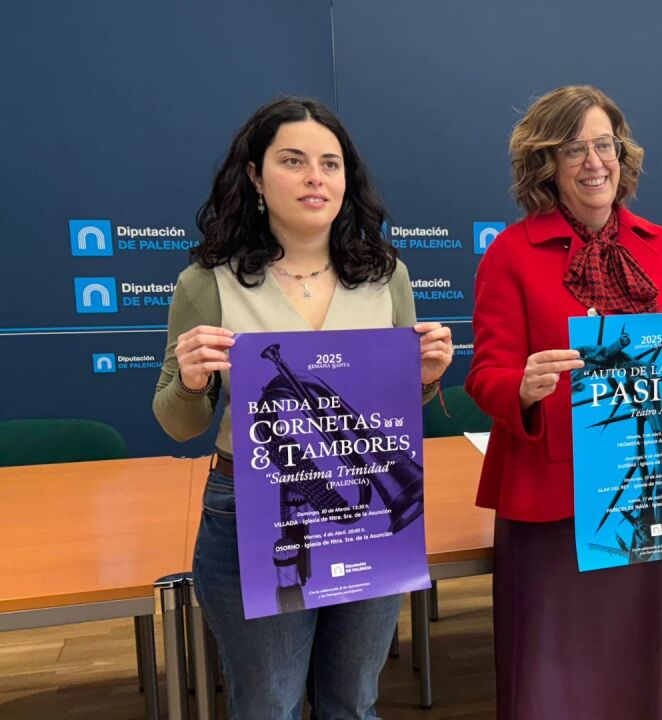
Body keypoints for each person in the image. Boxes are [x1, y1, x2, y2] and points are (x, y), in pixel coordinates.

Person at [151, 97, 452, 720]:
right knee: (270, 706)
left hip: (370, 510)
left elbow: (396, 408)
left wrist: (423, 379)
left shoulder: (386, 274)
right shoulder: (207, 282)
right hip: (255, 509)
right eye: (293, 161)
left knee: (355, 702)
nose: (316, 178)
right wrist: (190, 380)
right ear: (256, 177)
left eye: (330, 164)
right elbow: (180, 424)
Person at [466, 85, 662, 720]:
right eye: (574, 149)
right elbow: (485, 374)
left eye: (606, 145)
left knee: (640, 674)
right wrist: (522, 385)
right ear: (547, 163)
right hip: (557, 502)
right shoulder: (510, 254)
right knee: (556, 683)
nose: (595, 162)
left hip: (651, 488)